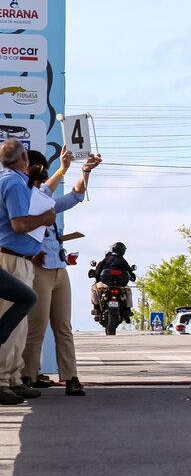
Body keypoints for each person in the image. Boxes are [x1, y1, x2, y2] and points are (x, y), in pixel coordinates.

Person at [21, 148, 99, 396]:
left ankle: (71, 376)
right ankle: (27, 375)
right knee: (37, 324)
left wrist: (85, 171)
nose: (42, 177)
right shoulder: (24, 197)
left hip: (58, 268)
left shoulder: (45, 197)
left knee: (63, 325)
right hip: (38, 269)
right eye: (39, 171)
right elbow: (41, 195)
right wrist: (63, 168)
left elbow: (75, 197)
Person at [0, 140, 55, 406]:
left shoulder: (13, 181)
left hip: (18, 258)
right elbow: (19, 223)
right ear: (24, 157)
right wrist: (44, 219)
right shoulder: (12, 183)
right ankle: (2, 380)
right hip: (10, 258)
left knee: (18, 326)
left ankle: (11, 378)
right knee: (9, 325)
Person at [90, 242, 135, 320]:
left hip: (105, 284)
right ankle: (127, 310)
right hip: (121, 285)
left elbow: (98, 271)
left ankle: (96, 308)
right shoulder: (123, 260)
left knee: (94, 288)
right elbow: (129, 272)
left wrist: (95, 275)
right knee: (128, 290)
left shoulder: (106, 260)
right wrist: (132, 276)